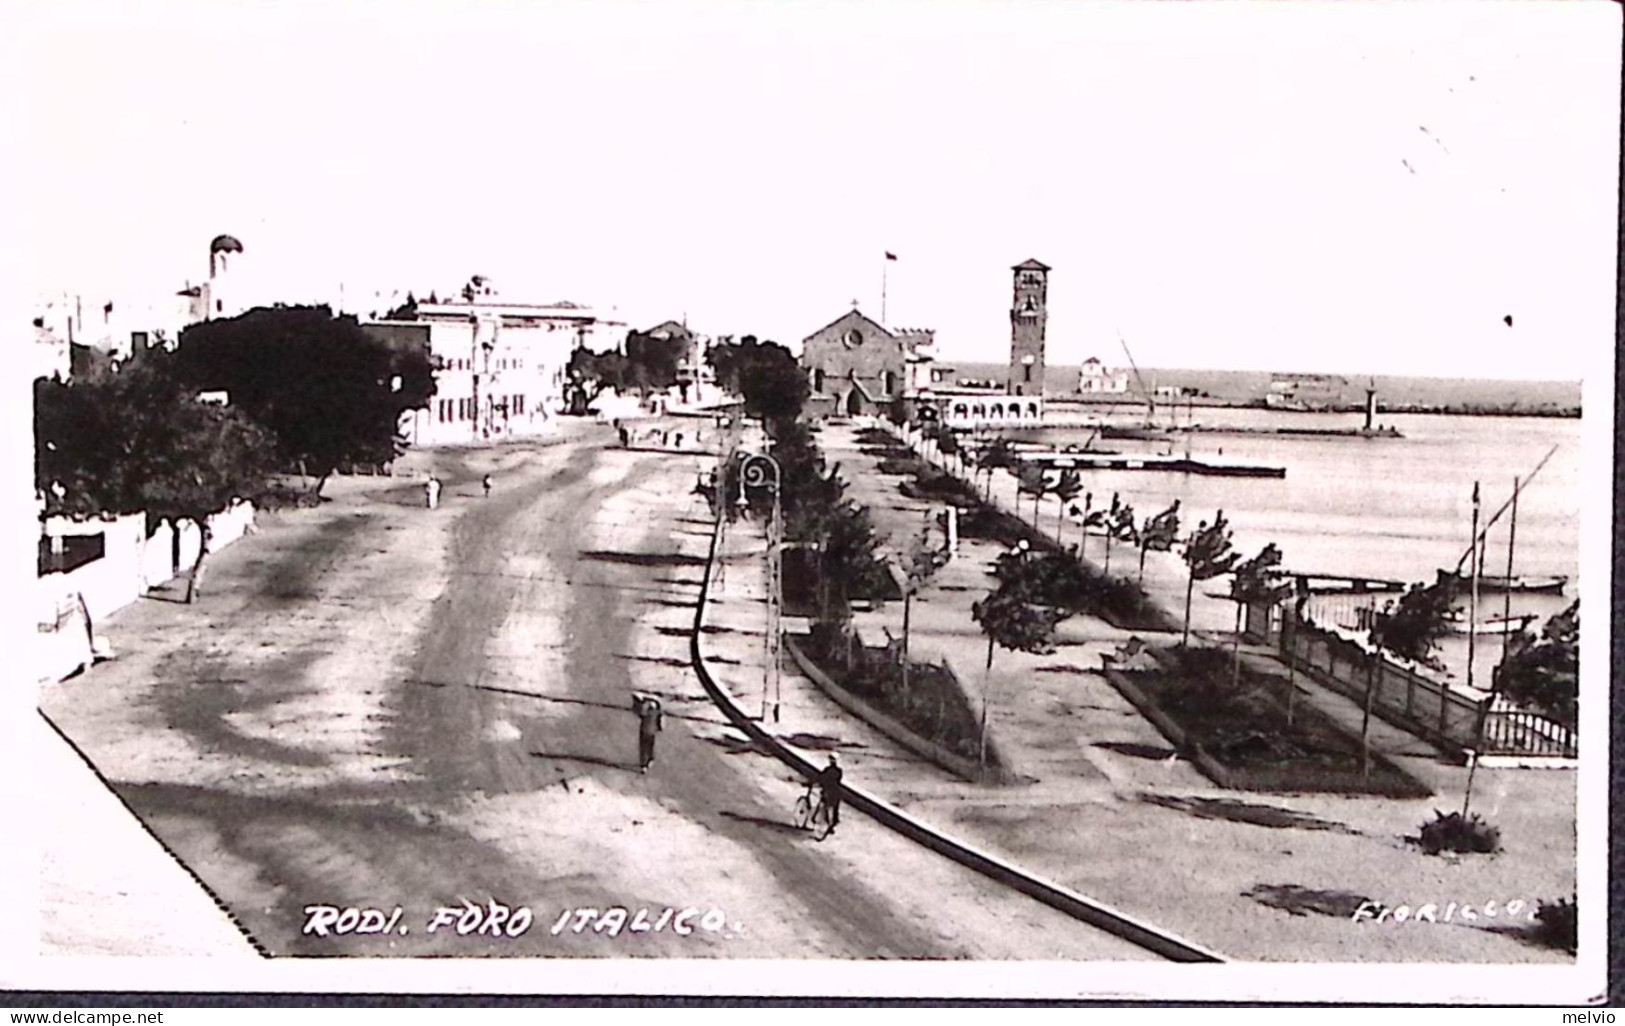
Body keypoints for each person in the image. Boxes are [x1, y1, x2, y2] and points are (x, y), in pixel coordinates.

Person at [815, 753, 843, 835]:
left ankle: (827, 822)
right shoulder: (839, 771)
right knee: (835, 808)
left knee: (825, 804)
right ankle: (833, 823)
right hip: (836, 791)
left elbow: (821, 778)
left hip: (828, 790)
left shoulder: (827, 770)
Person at [635, 695, 664, 773]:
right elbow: (660, 721)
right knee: (650, 746)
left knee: (643, 747)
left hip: (644, 730)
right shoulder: (657, 713)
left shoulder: (646, 712)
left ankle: (644, 764)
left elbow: (640, 714)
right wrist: (660, 728)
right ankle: (650, 758)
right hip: (652, 731)